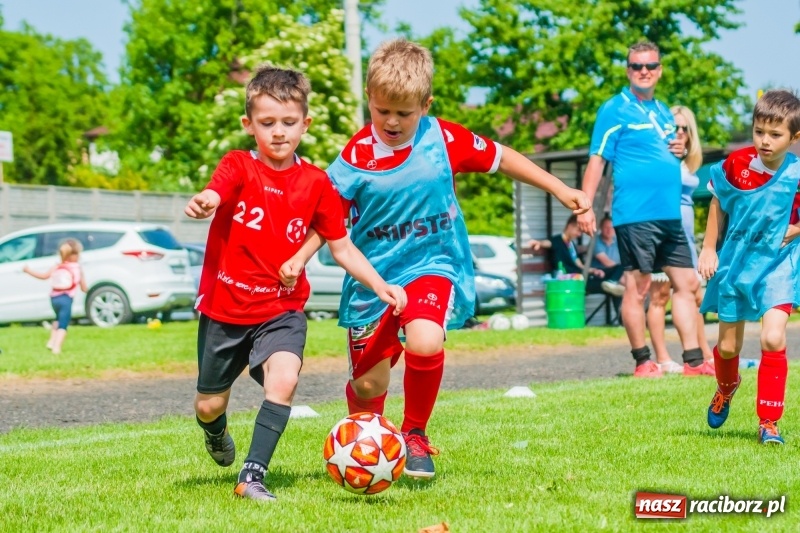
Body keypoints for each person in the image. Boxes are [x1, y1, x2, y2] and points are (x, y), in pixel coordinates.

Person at [283, 39, 590, 479]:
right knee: (369, 386)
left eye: (403, 113)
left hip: (433, 264)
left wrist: (561, 190)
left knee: (426, 340)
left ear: (425, 105)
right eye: (382, 110)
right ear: (369, 99)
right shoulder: (353, 159)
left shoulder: (443, 139)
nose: (391, 121)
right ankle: (365, 439)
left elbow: (502, 158)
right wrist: (299, 257)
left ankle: (414, 434)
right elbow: (328, 222)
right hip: (374, 279)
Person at [183, 65, 407, 502]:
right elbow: (219, 188)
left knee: (283, 379)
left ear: (305, 124)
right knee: (208, 405)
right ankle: (215, 433)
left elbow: (341, 247)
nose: (279, 133)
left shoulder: (317, 184)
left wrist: (382, 286)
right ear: (249, 125)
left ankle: (252, 476)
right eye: (267, 123)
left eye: (289, 123)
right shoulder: (238, 166)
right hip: (225, 310)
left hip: (281, 310)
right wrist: (208, 198)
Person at [578, 41, 712, 378]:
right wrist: (584, 205)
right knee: (637, 289)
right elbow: (597, 160)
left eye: (650, 66)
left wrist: (679, 148)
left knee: (687, 284)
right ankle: (643, 361)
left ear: (659, 69)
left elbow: (668, 150)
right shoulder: (614, 109)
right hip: (635, 215)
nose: (644, 71)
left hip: (669, 215)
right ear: (628, 70)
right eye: (637, 66)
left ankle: (693, 362)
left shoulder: (664, 110)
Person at [699, 89, 800, 445]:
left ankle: (768, 422)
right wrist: (709, 248)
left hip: (778, 265)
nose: (765, 141)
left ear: (795, 137)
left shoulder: (797, 174)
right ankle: (727, 387)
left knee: (773, 337)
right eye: (759, 131)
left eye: (775, 135)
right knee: (728, 348)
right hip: (736, 264)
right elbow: (718, 203)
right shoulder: (735, 164)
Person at [647, 106, 714, 373]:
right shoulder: (659, 157)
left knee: (693, 294)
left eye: (685, 128)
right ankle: (662, 357)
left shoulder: (688, 162)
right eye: (675, 127)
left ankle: (702, 353)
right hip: (663, 232)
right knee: (659, 296)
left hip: (684, 235)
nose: (680, 133)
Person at [528, 215, 625, 297]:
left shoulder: (571, 244)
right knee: (611, 287)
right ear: (570, 226)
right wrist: (538, 243)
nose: (579, 234)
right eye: (578, 231)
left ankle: (612, 282)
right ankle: (612, 285)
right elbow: (548, 243)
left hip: (581, 276)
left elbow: (580, 266)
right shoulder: (558, 240)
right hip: (571, 280)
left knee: (620, 267)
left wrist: (594, 270)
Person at [22, 238, 87, 354]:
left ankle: (51, 341)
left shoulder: (57, 266)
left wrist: (28, 271)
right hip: (66, 298)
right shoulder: (77, 267)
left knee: (57, 319)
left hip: (54, 298)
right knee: (63, 323)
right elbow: (83, 287)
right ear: (76, 254)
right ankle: (57, 347)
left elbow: (43, 276)